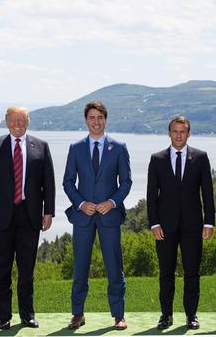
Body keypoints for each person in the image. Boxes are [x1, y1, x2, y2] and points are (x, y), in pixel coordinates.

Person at [0, 106, 55, 330]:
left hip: (30, 216)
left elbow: (47, 183)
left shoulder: (41, 146)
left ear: (28, 122)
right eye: (13, 120)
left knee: (26, 270)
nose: (17, 124)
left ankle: (27, 314)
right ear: (7, 122)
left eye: (22, 120)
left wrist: (48, 211)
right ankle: (3, 316)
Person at [63, 101, 132, 330]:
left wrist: (111, 202)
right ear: (86, 120)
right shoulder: (75, 148)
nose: (96, 121)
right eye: (92, 117)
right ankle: (77, 314)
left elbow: (126, 182)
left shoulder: (119, 147)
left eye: (100, 117)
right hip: (83, 217)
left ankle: (118, 315)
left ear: (106, 119)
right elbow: (68, 182)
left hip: (109, 216)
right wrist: (81, 204)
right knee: (80, 267)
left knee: (114, 267)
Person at [146, 115, 215, 330]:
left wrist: (209, 222)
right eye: (175, 131)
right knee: (166, 273)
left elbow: (208, 193)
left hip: (193, 226)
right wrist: (154, 223)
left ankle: (191, 316)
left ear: (188, 133)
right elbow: (151, 195)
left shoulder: (201, 158)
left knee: (192, 273)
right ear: (169, 133)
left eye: (182, 131)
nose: (178, 135)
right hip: (164, 227)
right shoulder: (157, 159)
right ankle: (166, 316)